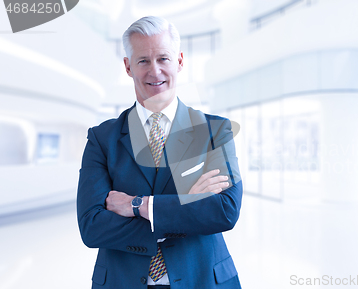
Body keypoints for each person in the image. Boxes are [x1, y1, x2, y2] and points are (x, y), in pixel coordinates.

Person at [77, 16, 242, 289]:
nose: (155, 71)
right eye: (143, 61)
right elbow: (92, 227)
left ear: (179, 61)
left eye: (163, 59)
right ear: (128, 67)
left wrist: (139, 206)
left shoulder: (216, 131)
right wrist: (185, 203)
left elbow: (224, 211)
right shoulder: (102, 138)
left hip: (202, 280)